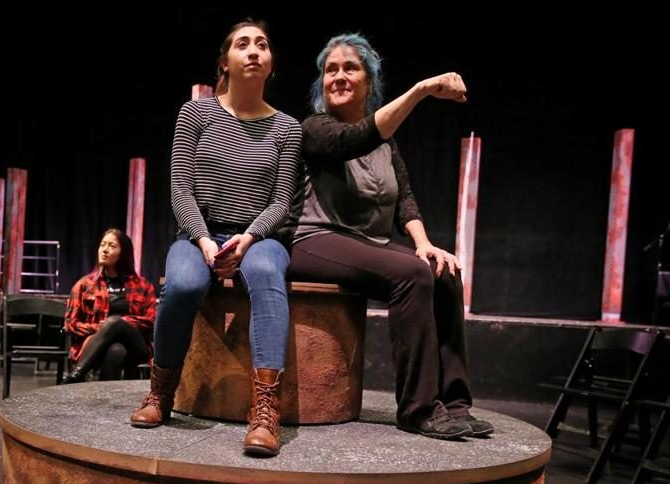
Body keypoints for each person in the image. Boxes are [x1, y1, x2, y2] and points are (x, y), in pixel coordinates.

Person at [286, 33, 492, 440]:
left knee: (442, 272)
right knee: (412, 275)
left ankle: (455, 404)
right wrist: (420, 91)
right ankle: (418, 409)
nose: (339, 76)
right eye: (331, 70)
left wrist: (424, 244)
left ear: (369, 81)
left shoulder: (387, 143)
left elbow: (405, 201)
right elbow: (354, 139)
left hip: (365, 244)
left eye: (350, 68)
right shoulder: (314, 128)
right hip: (313, 239)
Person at [129, 20, 303, 457]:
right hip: (198, 234)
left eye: (262, 45)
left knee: (266, 273)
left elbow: (282, 200)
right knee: (184, 284)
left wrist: (248, 237)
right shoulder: (196, 114)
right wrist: (205, 240)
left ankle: (265, 411)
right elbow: (180, 189)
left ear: (271, 64)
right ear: (224, 61)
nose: (253, 51)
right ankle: (161, 392)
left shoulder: (288, 127)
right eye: (242, 44)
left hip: (258, 236)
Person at [63, 229, 156, 382]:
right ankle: (104, 402)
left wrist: (117, 324)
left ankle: (76, 376)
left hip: (136, 347)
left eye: (112, 246)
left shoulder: (143, 285)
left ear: (123, 253)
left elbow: (150, 321)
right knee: (115, 350)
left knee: (115, 322)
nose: (105, 250)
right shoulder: (84, 285)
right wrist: (103, 329)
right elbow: (70, 324)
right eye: (102, 245)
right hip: (93, 347)